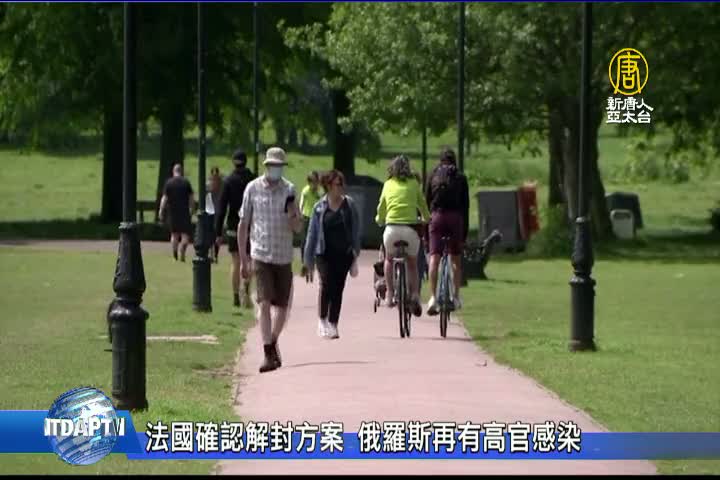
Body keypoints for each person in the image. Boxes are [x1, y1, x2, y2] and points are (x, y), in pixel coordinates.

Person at [237, 147, 303, 373]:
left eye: (279, 166)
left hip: (283, 255)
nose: (275, 169)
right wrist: (244, 259)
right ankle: (267, 353)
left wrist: (293, 214)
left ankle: (273, 341)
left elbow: (297, 228)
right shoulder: (252, 188)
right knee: (264, 303)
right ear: (266, 166)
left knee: (282, 308)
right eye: (272, 165)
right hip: (261, 253)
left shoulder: (289, 189)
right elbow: (243, 224)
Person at [303, 170, 361, 340]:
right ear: (328, 186)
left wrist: (355, 253)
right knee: (326, 283)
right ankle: (322, 321)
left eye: (342, 184)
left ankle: (333, 323)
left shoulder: (349, 205)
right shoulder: (319, 207)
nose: (341, 187)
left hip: (344, 254)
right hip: (324, 253)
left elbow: (356, 229)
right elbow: (312, 234)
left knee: (338, 288)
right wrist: (308, 261)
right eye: (338, 184)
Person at [375, 154, 430, 317]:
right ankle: (414, 294)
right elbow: (422, 205)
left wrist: (379, 219)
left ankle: (390, 294)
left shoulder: (388, 184)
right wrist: (426, 218)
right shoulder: (414, 184)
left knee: (389, 259)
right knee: (412, 263)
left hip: (391, 230)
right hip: (410, 230)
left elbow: (382, 207)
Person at [425, 147, 470, 314]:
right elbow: (465, 207)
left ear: (440, 160)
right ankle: (456, 297)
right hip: (455, 219)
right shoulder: (461, 177)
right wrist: (463, 235)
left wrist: (426, 231)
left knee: (434, 258)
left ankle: (432, 298)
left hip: (437, 217)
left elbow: (426, 201)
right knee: (455, 260)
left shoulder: (433, 174)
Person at [214, 150, 257, 308]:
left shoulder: (229, 181)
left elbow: (221, 208)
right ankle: (246, 288)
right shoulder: (253, 180)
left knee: (236, 261)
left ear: (233, 162)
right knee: (249, 259)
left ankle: (235, 296)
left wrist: (218, 232)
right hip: (251, 225)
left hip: (233, 224)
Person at [158, 163, 195, 262]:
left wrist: (161, 210)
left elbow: (164, 198)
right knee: (185, 235)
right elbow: (191, 198)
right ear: (181, 171)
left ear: (173, 171)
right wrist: (192, 209)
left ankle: (175, 253)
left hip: (173, 212)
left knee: (174, 235)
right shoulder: (186, 183)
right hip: (184, 212)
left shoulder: (169, 183)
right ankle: (182, 248)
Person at [299, 171, 321, 259]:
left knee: (316, 238)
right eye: (312, 182)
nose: (314, 185)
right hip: (306, 217)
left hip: (316, 217)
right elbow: (301, 203)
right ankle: (304, 258)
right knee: (304, 239)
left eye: (316, 182)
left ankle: (314, 257)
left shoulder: (319, 192)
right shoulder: (305, 190)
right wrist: (300, 213)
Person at [207, 167, 223, 263]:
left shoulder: (222, 185)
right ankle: (211, 254)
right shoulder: (208, 185)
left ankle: (215, 254)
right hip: (210, 211)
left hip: (217, 211)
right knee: (211, 234)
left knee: (217, 235)